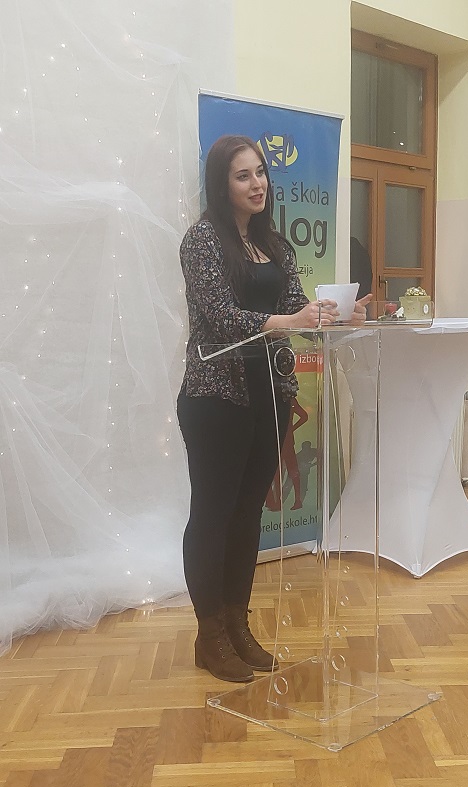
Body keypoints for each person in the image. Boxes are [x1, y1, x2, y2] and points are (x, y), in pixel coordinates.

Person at [177, 134, 371, 683]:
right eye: (243, 175)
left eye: (261, 172)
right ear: (222, 184)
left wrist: (336, 315)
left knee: (247, 516)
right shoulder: (201, 240)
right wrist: (286, 322)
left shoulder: (275, 245)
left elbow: (295, 308)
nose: (257, 183)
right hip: (215, 398)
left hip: (269, 396)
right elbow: (219, 316)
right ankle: (209, 635)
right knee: (213, 516)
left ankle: (237, 625)